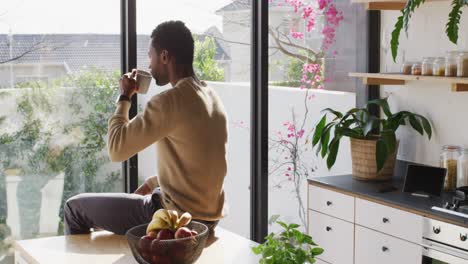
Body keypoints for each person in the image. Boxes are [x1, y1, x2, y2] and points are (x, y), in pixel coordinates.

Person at [63, 20, 228, 235]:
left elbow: (116, 150)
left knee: (74, 208)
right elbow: (198, 163)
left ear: (165, 56)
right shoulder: (210, 96)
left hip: (173, 217)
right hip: (208, 218)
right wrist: (152, 183)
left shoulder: (169, 101)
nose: (149, 65)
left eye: (151, 56)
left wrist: (124, 97)